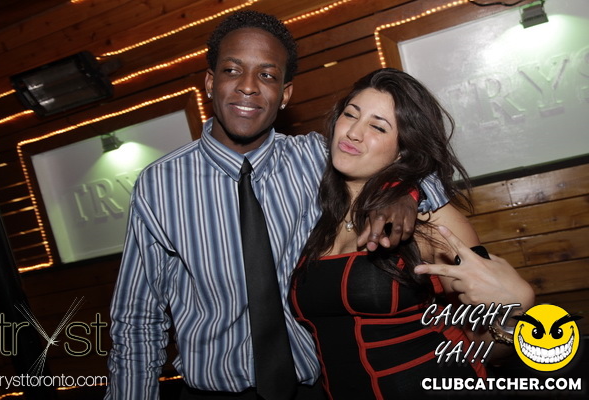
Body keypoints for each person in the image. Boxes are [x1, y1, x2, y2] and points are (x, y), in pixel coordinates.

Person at [105, 11, 449, 400]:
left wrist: (403, 190)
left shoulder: (318, 158)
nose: (248, 86)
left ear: (284, 95)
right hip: (213, 394)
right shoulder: (159, 184)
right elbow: (137, 320)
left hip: (317, 389)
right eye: (232, 70)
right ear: (210, 82)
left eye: (267, 75)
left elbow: (410, 158)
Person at [290, 68, 535, 399]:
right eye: (351, 115)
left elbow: (485, 346)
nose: (354, 132)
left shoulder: (433, 221)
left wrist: (513, 314)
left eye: (378, 127)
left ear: (403, 150)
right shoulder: (313, 216)